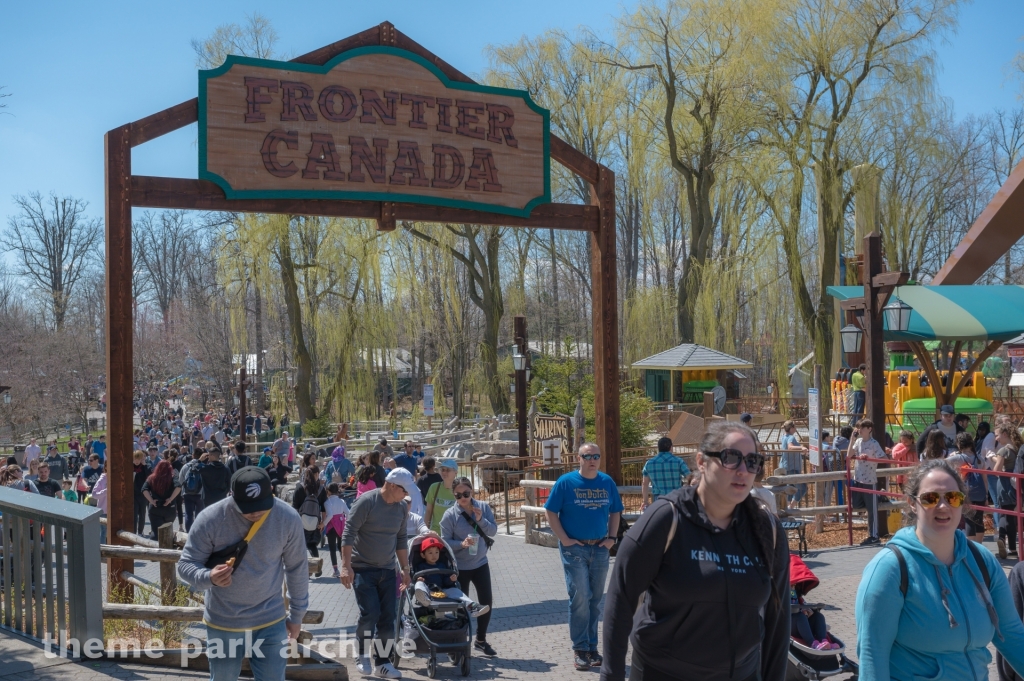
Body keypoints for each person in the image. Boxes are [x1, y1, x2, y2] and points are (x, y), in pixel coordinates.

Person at [601, 421, 788, 681]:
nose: (743, 470)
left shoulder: (767, 528)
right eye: (731, 458)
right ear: (701, 461)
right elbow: (620, 601)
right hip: (663, 672)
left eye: (753, 461)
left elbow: (778, 618)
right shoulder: (667, 518)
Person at [855, 459, 1024, 681]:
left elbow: (1012, 635)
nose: (943, 506)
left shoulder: (982, 561)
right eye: (931, 498)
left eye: (953, 498)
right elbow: (872, 657)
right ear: (912, 503)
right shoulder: (889, 570)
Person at [178, 466, 309, 681]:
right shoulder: (210, 518)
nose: (255, 512)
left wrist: (297, 615)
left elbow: (297, 568)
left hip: (271, 619)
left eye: (261, 506)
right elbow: (186, 564)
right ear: (232, 496)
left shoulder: (287, 517)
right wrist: (208, 577)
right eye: (247, 507)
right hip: (224, 621)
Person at [545, 443, 623, 671]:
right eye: (587, 456)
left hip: (599, 548)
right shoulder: (566, 482)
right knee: (580, 597)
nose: (592, 459)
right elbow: (551, 511)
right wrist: (564, 539)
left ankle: (592, 647)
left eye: (596, 456)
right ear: (578, 458)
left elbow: (615, 510)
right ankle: (580, 648)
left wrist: (612, 538)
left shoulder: (606, 482)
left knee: (595, 600)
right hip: (574, 549)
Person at [339, 477, 411, 679]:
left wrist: (405, 568)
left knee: (388, 618)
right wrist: (345, 566)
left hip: (388, 570)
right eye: (404, 491)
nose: (406, 496)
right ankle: (361, 652)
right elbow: (348, 533)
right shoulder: (366, 502)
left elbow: (401, 539)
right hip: (362, 568)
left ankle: (383, 662)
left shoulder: (401, 508)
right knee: (370, 613)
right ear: (393, 485)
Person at [440, 476, 498, 656]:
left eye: (466, 493)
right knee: (461, 607)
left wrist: (480, 519)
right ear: (454, 495)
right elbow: (444, 542)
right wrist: (461, 544)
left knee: (486, 602)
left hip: (480, 563)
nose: (463, 498)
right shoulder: (450, 515)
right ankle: (457, 643)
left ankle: (480, 640)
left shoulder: (483, 507)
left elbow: (493, 531)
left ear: (471, 491)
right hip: (460, 567)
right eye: (458, 495)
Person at [412, 535, 489, 616]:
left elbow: (446, 582)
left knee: (456, 591)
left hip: (442, 590)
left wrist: (450, 580)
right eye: (430, 553)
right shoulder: (420, 566)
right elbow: (416, 577)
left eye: (436, 552)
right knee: (419, 584)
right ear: (423, 555)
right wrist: (419, 579)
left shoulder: (442, 566)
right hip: (428, 591)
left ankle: (472, 606)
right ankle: (424, 598)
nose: (434, 555)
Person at [849, 419, 889, 546]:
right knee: (856, 505)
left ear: (869, 429)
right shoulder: (859, 441)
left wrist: (870, 458)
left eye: (862, 428)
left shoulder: (873, 444)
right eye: (858, 428)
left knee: (872, 510)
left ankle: (874, 535)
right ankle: (879, 496)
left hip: (869, 480)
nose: (859, 430)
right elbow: (849, 455)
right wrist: (852, 439)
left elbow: (884, 458)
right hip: (858, 479)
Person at [946, 432, 988, 544]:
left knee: (969, 520)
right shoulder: (979, 459)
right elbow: (984, 479)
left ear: (959, 444)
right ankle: (979, 547)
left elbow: (941, 463)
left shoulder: (956, 458)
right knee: (979, 520)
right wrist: (986, 495)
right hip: (980, 492)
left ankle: (971, 547)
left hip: (966, 492)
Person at [790, 554, 839, 650]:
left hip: (800, 622)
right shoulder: (780, 590)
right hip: (788, 623)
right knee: (800, 616)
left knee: (818, 616)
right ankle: (812, 643)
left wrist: (809, 609)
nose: (794, 586)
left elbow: (801, 602)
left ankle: (823, 640)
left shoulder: (795, 591)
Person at [992, 423, 1021, 559]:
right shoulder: (1017, 448)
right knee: (1011, 514)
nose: (996, 438)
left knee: (1004, 513)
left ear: (1004, 434)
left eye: (997, 435)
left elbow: (996, 470)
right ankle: (1012, 549)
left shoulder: (1003, 450)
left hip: (1004, 483)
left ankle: (1002, 538)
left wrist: (992, 457)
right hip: (1016, 483)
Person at [292, 465, 327, 575]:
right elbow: (324, 508)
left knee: (301, 546)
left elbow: (294, 507)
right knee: (312, 545)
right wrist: (323, 523)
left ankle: (307, 571)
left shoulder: (299, 487)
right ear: (316, 474)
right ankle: (316, 568)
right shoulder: (321, 489)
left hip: (301, 523)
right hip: (315, 523)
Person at [640, 437, 690, 510]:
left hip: (658, 499)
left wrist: (645, 501)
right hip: (676, 498)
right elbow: (690, 477)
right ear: (671, 447)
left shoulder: (649, 463)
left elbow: (645, 483)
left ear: (658, 448)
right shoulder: (678, 461)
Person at [142, 460, 181, 537]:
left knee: (156, 532)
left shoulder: (151, 478)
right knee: (167, 533)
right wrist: (170, 499)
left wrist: (151, 501)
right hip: (169, 508)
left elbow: (144, 489)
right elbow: (178, 487)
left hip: (155, 508)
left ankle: (155, 546)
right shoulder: (172, 477)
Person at [423, 458, 459, 534]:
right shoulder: (434, 487)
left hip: (454, 534)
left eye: (448, 470)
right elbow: (428, 511)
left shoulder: (460, 490)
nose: (444, 472)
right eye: (442, 470)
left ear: (456, 472)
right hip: (436, 533)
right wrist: (425, 531)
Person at [323, 482, 350, 578]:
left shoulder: (327, 502)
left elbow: (329, 515)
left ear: (328, 491)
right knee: (340, 547)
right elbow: (348, 513)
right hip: (341, 525)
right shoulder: (341, 501)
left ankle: (336, 570)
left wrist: (323, 524)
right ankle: (344, 568)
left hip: (331, 526)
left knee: (332, 549)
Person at [781, 420, 808, 504]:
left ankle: (789, 508)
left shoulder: (784, 436)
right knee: (803, 488)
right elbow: (790, 447)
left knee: (790, 489)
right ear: (791, 428)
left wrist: (800, 450)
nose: (796, 428)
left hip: (786, 466)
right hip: (792, 467)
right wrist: (801, 448)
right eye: (795, 427)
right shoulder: (791, 437)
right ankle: (792, 507)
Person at [179, 451, 205, 532]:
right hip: (200, 493)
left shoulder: (185, 466)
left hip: (187, 493)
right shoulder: (203, 466)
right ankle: (198, 532)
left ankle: (188, 532)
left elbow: (180, 480)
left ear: (193, 455)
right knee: (199, 514)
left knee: (188, 513)